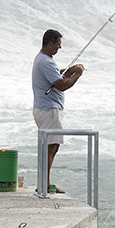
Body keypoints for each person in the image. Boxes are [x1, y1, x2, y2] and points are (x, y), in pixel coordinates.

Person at [32, 28, 84, 194]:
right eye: (58, 44)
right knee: (51, 148)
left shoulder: (42, 60)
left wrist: (68, 72)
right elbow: (62, 85)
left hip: (45, 108)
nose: (59, 48)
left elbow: (56, 77)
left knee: (51, 147)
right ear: (50, 43)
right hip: (49, 109)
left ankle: (44, 183)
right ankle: (44, 185)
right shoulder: (46, 62)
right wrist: (78, 75)